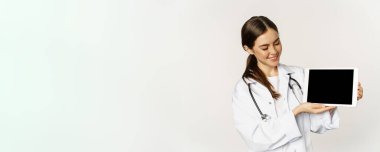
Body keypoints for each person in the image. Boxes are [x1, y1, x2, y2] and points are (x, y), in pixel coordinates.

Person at [231, 16, 364, 152]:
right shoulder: (243, 90)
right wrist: (297, 111)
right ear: (248, 49)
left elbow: (317, 124)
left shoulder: (298, 75)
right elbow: (256, 140)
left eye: (277, 43)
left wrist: (342, 96)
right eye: (265, 47)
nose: (274, 51)